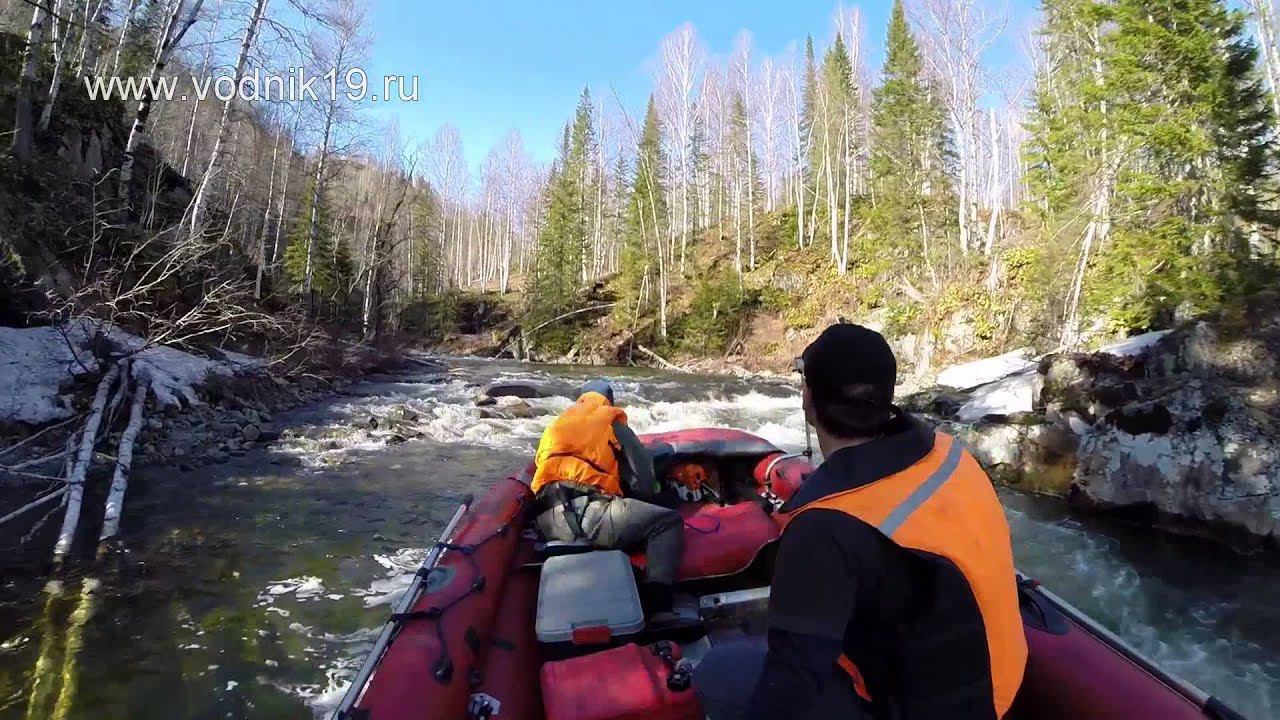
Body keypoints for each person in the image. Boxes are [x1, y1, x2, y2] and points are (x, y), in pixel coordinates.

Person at [695, 323, 1027, 720]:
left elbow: (789, 688)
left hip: (913, 708)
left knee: (720, 672)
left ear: (808, 400)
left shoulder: (823, 527)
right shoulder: (950, 453)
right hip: (998, 693)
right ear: (886, 397)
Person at [531, 379, 684, 613]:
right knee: (667, 522)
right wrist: (651, 498)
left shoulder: (556, 424)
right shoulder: (611, 421)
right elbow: (643, 479)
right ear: (609, 400)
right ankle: (659, 603)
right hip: (588, 516)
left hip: (547, 521)